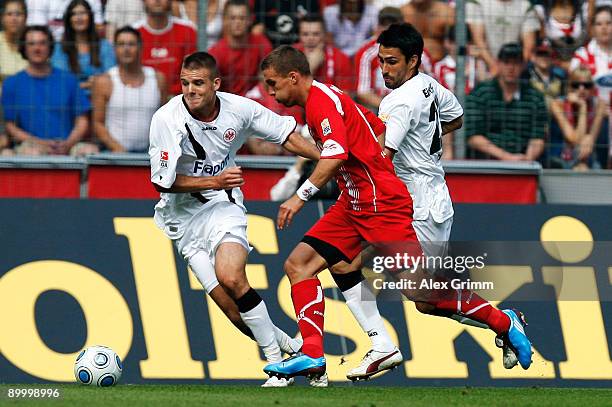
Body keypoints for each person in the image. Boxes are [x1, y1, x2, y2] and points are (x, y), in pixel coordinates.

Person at [148, 51, 320, 387]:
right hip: (181, 220)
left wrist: (330, 159)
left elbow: (288, 136)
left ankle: (276, 368)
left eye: (198, 83)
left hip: (222, 208)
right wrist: (215, 179)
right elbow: (161, 181)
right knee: (231, 309)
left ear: (215, 84)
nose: (190, 90)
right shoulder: (166, 119)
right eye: (185, 83)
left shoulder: (239, 109)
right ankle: (294, 347)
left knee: (231, 275)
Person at [376, 23, 531, 370]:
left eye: (392, 62)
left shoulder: (398, 101)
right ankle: (503, 322)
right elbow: (456, 117)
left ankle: (503, 322)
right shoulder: (430, 85)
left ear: (413, 60)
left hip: (421, 203)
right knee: (425, 301)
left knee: (421, 293)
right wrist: (425, 133)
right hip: (425, 199)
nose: (384, 69)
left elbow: (381, 158)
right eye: (381, 61)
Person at [260, 45, 415, 381]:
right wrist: (374, 163)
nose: (270, 92)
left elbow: (335, 156)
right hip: (356, 201)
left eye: (273, 84)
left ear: (293, 77)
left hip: (379, 204)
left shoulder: (319, 103)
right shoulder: (327, 95)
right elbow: (375, 126)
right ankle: (315, 354)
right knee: (301, 265)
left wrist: (299, 198)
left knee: (423, 295)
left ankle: (504, 322)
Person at [1, 25, 92, 155]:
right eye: (31, 44)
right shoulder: (11, 83)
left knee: (89, 150)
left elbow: (82, 120)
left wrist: (68, 144)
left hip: (67, 145)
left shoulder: (69, 80)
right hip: (30, 146)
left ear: (50, 47)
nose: (37, 48)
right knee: (31, 153)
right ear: (24, 48)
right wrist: (39, 143)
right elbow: (11, 126)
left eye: (42, 43)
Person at [466, 43, 547, 161]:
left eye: (516, 63)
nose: (511, 68)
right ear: (498, 63)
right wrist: (507, 157)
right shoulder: (481, 93)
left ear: (523, 66)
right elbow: (472, 137)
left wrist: (527, 161)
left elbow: (538, 137)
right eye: (506, 62)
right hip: (484, 162)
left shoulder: (535, 97)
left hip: (523, 160)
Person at [92, 26, 165, 153]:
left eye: (131, 44)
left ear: (140, 48)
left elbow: (165, 120)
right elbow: (97, 123)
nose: (126, 49)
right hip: (115, 155)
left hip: (151, 155)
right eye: (121, 44)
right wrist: (118, 149)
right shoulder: (104, 81)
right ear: (114, 49)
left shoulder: (158, 79)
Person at [51, 0, 116, 95]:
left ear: (90, 17)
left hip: (99, 100)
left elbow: (111, 78)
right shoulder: (59, 48)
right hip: (69, 102)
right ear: (69, 19)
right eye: (74, 14)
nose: (79, 18)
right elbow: (61, 83)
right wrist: (88, 84)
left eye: (83, 13)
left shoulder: (104, 46)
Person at [549, 66, 609, 169]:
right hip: (560, 158)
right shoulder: (558, 104)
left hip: (588, 156)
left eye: (587, 85)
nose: (581, 89)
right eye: (576, 85)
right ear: (570, 87)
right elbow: (574, 139)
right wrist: (583, 107)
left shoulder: (599, 104)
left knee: (585, 166)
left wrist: (590, 137)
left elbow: (589, 142)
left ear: (592, 88)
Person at [208, 0, 272, 96]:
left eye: (242, 18)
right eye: (232, 18)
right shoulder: (215, 52)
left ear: (250, 20)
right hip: (226, 103)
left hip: (256, 101)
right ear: (224, 20)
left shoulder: (261, 43)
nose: (237, 22)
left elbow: (269, 80)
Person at [133, 0, 197, 95]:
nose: (157, 0)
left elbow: (195, 72)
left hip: (181, 97)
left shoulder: (188, 30)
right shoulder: (134, 33)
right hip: (142, 97)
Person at [466, 0, 540, 78]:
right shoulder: (477, 3)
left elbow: (529, 46)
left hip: (515, 68)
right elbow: (478, 40)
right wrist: (494, 66)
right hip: (485, 67)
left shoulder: (526, 6)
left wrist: (514, 68)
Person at [354, 6, 403, 111]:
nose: (388, 29)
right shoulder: (367, 53)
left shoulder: (416, 50)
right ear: (377, 26)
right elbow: (363, 92)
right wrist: (391, 108)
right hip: (380, 109)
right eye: (384, 24)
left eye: (393, 25)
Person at [294, 14, 354, 93]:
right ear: (299, 36)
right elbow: (287, 93)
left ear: (324, 35)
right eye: (305, 34)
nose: (310, 38)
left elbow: (345, 96)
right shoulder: (289, 55)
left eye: (316, 34)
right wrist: (310, 67)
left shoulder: (341, 58)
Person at [570, 5, 612, 107]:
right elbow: (575, 92)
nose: (604, 27)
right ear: (592, 28)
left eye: (608, 23)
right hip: (593, 115)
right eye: (599, 24)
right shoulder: (581, 56)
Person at [25, 0, 104, 40]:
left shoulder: (93, 1)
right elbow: (36, 32)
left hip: (85, 46)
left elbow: (98, 29)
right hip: (49, 49)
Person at [252, 0, 319, 47]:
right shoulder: (263, 1)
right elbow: (257, 28)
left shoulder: (310, 2)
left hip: (300, 50)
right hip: (271, 48)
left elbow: (316, 28)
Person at [0, 0, 28, 86]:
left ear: (26, 18)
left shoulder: (34, 43)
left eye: (18, 14)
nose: (14, 19)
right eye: (9, 14)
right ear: (2, 18)